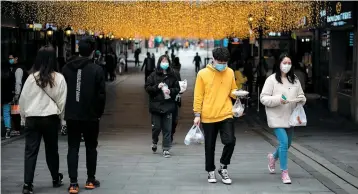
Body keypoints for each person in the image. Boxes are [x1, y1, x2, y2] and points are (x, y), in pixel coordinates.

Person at [19, 45, 67, 194]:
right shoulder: (59, 78)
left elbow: (23, 100)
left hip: (32, 118)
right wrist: (62, 120)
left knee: (30, 151)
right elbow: (62, 102)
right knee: (52, 150)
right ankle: (55, 178)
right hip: (50, 119)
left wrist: (22, 118)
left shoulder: (31, 78)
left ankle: (28, 184)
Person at [62, 37, 106, 194]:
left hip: (72, 115)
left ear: (78, 50)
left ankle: (73, 183)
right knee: (91, 147)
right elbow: (101, 95)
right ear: (92, 52)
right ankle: (90, 179)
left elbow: (63, 92)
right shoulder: (97, 69)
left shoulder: (66, 68)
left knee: (73, 147)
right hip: (90, 116)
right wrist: (98, 113)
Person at [193, 48, 238, 185]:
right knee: (209, 146)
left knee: (230, 141)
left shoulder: (230, 72)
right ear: (213, 58)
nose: (222, 65)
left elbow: (233, 91)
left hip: (226, 113)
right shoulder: (202, 74)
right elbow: (198, 95)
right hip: (208, 115)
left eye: (225, 62)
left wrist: (239, 94)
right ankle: (210, 171)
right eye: (220, 62)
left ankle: (223, 167)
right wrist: (197, 114)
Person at [260, 53, 306, 184]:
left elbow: (301, 94)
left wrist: (301, 100)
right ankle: (284, 172)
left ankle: (273, 157)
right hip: (276, 117)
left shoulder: (295, 79)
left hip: (291, 117)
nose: (287, 65)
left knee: (288, 144)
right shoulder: (271, 79)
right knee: (284, 143)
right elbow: (263, 98)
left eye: (289, 63)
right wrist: (278, 99)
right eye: (284, 63)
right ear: (279, 63)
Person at [145, 55, 180, 158]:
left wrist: (171, 91)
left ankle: (166, 148)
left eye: (166, 61)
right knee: (156, 127)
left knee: (167, 128)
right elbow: (147, 88)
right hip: (156, 106)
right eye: (162, 61)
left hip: (168, 106)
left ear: (169, 62)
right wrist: (157, 87)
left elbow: (178, 88)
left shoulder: (173, 76)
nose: (164, 62)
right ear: (159, 62)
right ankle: (154, 141)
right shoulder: (153, 75)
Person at [9, 53, 28, 136]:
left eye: (11, 58)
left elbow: (18, 82)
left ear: (16, 58)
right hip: (20, 93)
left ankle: (17, 129)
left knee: (15, 112)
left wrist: (17, 94)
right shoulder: (16, 68)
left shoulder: (18, 69)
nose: (10, 60)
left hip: (19, 94)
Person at [1, 61, 15, 138]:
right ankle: (8, 130)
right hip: (8, 97)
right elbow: (13, 86)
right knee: (6, 113)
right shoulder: (11, 75)